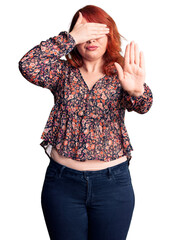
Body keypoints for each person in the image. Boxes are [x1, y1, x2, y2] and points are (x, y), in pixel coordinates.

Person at [18, 4, 153, 240]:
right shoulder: (61, 72)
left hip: (113, 185)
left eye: (97, 31)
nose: (91, 39)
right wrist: (69, 38)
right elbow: (27, 65)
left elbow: (143, 106)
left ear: (109, 34)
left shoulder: (121, 73)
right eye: (85, 31)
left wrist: (137, 91)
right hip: (62, 185)